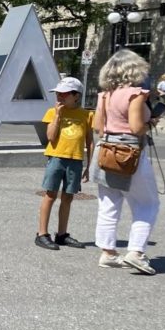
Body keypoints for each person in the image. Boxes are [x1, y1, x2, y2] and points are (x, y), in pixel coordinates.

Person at [92, 50, 161, 274]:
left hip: (105, 150)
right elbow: (136, 127)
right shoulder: (136, 94)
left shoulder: (105, 95)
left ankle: (108, 253)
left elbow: (98, 127)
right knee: (147, 202)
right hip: (128, 152)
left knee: (108, 203)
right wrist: (151, 123)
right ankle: (136, 252)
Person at [34, 77, 93, 251]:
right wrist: (58, 115)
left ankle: (61, 234)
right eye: (57, 94)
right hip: (56, 157)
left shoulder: (86, 115)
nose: (59, 97)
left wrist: (90, 166)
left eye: (64, 94)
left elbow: (90, 141)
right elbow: (51, 138)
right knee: (50, 195)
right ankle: (42, 234)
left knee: (68, 197)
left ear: (76, 96)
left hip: (75, 159)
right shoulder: (52, 112)